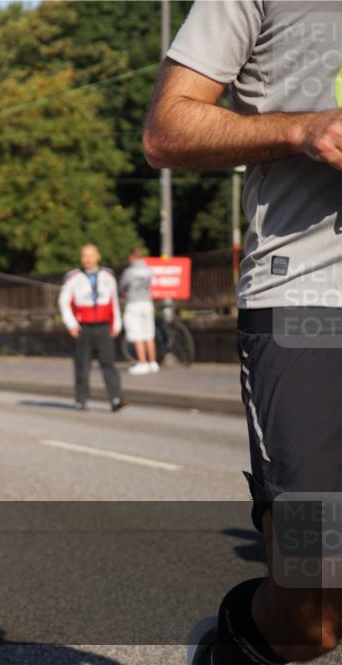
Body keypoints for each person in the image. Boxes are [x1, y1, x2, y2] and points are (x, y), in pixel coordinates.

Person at [144, 3, 341, 664]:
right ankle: (231, 649)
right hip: (308, 297)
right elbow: (167, 128)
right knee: (314, 595)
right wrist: (304, 130)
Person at [58, 244, 124, 412]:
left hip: (103, 326)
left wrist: (117, 323)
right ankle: (81, 399)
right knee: (82, 365)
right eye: (84, 256)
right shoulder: (73, 277)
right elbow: (63, 301)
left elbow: (114, 300)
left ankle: (115, 398)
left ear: (98, 256)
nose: (87, 260)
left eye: (91, 255)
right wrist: (71, 323)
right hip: (84, 327)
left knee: (108, 363)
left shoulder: (108, 276)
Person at [118, 247, 158, 375]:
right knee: (149, 334)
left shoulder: (129, 272)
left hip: (134, 303)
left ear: (132, 257)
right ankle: (153, 362)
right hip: (147, 302)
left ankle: (142, 362)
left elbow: (122, 286)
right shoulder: (149, 270)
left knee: (137, 334)